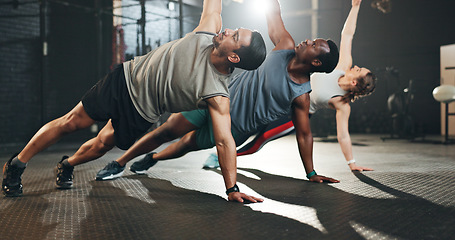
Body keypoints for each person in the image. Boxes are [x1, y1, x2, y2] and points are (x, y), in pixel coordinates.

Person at [2, 0, 267, 202]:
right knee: (72, 122)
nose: (228, 31)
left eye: (235, 37)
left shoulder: (217, 94)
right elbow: (214, 7)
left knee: (103, 145)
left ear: (234, 58)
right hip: (125, 80)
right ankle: (16, 164)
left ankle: (67, 164)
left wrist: (231, 188)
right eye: (234, 30)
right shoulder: (206, 33)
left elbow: (224, 141)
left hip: (143, 113)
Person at [95, 0, 340, 185]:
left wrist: (311, 173)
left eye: (314, 45)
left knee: (185, 145)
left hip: (236, 128)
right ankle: (119, 162)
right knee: (167, 130)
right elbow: (273, 13)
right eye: (312, 39)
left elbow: (304, 135)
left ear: (316, 63)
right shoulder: (285, 44)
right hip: (216, 96)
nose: (308, 41)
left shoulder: (301, 95)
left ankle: (153, 158)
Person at [201, 0, 377, 171]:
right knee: (245, 128)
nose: (355, 67)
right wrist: (355, 7)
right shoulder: (343, 65)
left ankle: (228, 156)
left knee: (261, 139)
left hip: (292, 114)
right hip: (279, 93)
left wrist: (351, 163)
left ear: (355, 82)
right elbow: (347, 35)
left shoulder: (342, 103)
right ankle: (222, 150)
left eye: (359, 70)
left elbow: (343, 135)